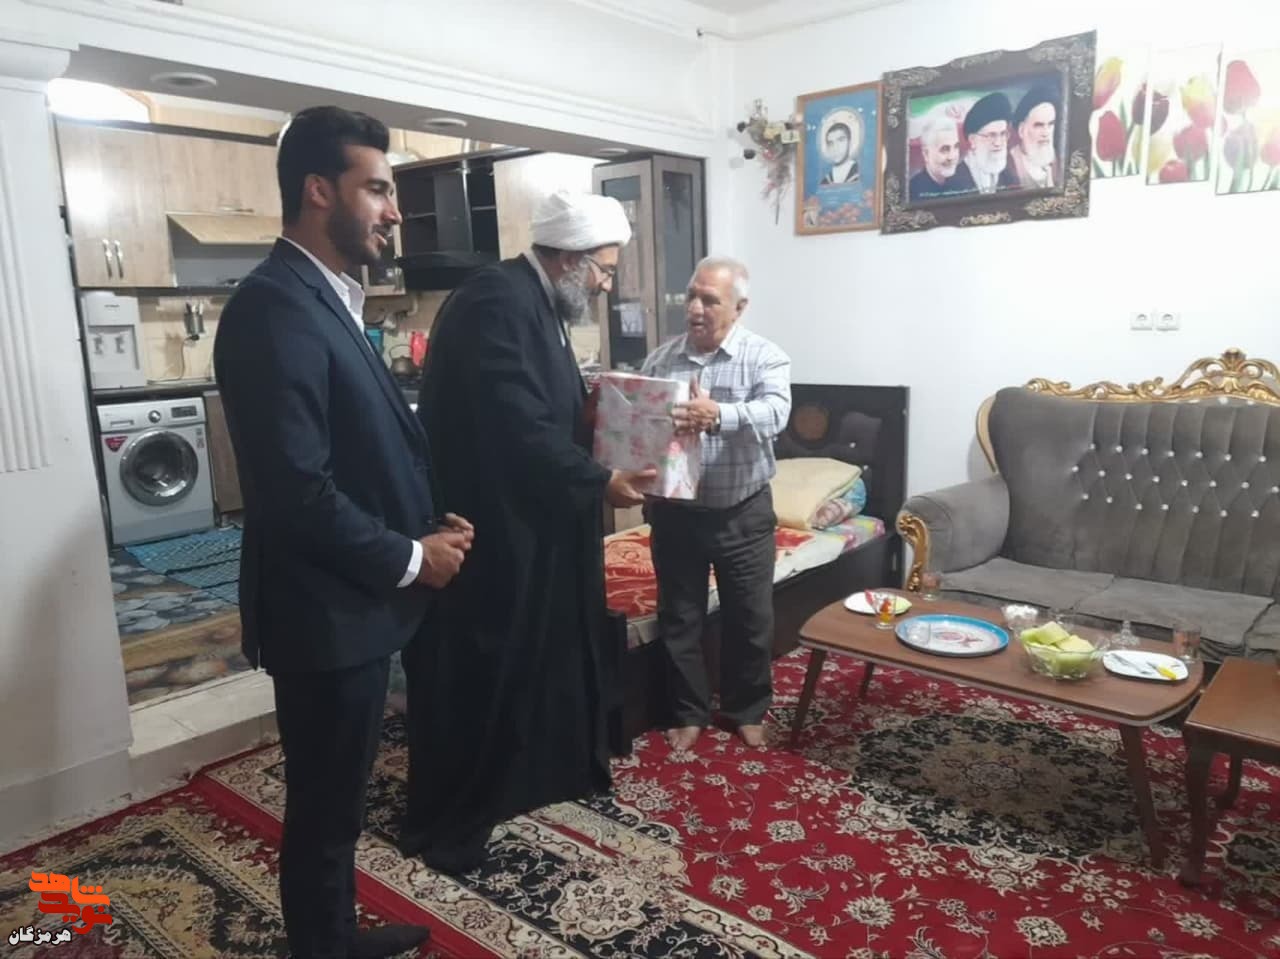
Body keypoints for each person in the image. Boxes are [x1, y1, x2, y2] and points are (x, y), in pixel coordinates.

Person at [213, 105, 474, 959]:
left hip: (352, 601)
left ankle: (330, 936)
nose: (393, 210)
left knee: (339, 801)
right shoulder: (273, 308)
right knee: (325, 808)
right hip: (321, 612)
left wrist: (426, 522)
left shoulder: (327, 297)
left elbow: (359, 451)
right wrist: (412, 557)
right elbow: (297, 492)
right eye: (378, 189)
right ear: (318, 190)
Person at [401, 190, 654, 874]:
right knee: (492, 663)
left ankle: (536, 775)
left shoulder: (536, 301)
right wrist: (600, 481)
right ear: (569, 259)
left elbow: (548, 406)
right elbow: (516, 426)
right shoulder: (497, 301)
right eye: (604, 270)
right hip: (495, 524)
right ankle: (468, 806)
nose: (606, 285)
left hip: (533, 519)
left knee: (540, 651)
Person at [640, 256, 792, 752]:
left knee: (750, 618)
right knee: (679, 617)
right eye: (692, 296)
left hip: (742, 511)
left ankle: (747, 710)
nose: (695, 308)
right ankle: (688, 712)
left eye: (710, 300)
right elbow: (642, 424)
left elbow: (777, 413)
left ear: (739, 307)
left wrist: (719, 415)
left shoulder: (765, 356)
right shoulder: (661, 360)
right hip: (675, 513)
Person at [948, 92, 1021, 195]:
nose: (998, 143)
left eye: (1003, 134)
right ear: (973, 140)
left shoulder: (1008, 173)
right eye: (991, 135)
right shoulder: (956, 179)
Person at [1010, 85, 1060, 188]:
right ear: (1021, 130)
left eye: (1050, 124)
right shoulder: (1010, 164)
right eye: (1039, 125)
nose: (1046, 133)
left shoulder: (1057, 159)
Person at [908, 112, 962, 201]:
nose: (952, 157)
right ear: (926, 154)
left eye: (956, 147)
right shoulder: (912, 191)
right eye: (945, 149)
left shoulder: (964, 181)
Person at [819, 120, 861, 186]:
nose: (835, 147)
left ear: (850, 142)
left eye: (840, 140)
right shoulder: (826, 179)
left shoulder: (859, 173)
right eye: (830, 143)